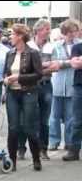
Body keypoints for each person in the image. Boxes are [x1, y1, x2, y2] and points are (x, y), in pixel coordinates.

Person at [3, 23, 44, 171]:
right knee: (13, 128)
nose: (10, 37)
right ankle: (12, 161)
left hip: (29, 92)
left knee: (29, 127)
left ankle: (36, 158)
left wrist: (19, 77)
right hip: (12, 93)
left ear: (20, 36)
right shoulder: (10, 53)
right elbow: (5, 72)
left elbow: (39, 74)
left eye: (12, 34)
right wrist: (6, 79)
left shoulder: (32, 53)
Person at [24, 18, 54, 161]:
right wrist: (43, 66)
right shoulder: (28, 46)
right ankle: (22, 149)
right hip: (31, 86)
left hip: (46, 85)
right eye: (46, 29)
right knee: (28, 118)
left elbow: (55, 66)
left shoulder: (51, 46)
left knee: (44, 120)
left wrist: (37, 66)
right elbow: (26, 67)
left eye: (49, 29)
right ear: (38, 30)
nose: (48, 31)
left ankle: (43, 149)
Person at [49, 19, 81, 155]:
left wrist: (63, 63)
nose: (73, 34)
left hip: (72, 84)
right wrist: (69, 62)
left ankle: (69, 142)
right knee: (54, 116)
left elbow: (75, 64)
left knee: (71, 116)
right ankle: (54, 141)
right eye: (70, 32)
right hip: (57, 83)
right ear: (65, 32)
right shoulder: (56, 45)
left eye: (74, 31)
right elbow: (53, 63)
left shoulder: (79, 45)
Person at [66, 35, 82, 160]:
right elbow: (75, 65)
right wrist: (77, 61)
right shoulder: (77, 47)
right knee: (77, 120)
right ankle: (74, 151)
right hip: (79, 87)